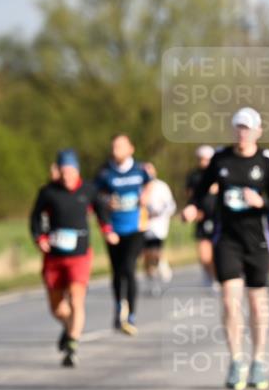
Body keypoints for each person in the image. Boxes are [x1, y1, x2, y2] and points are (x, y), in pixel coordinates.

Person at [183, 107, 269, 390]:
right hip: (226, 239)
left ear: (258, 131)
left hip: (258, 240)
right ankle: (236, 360)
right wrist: (194, 208)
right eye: (239, 127)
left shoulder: (267, 161)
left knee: (256, 303)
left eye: (248, 128)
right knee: (229, 301)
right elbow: (202, 193)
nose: (243, 133)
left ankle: (259, 360)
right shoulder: (220, 159)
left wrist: (261, 203)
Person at [31, 149, 115, 366]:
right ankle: (69, 328)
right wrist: (39, 237)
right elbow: (35, 218)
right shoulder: (48, 192)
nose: (67, 176)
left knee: (77, 300)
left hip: (80, 255)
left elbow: (101, 211)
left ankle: (72, 344)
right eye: (63, 172)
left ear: (77, 171)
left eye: (70, 171)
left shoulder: (89, 190)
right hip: (54, 256)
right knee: (57, 307)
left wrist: (107, 229)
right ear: (58, 171)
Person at [95, 134, 152, 335]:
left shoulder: (140, 169)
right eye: (113, 147)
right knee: (117, 271)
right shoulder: (105, 172)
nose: (115, 150)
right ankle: (119, 306)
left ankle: (132, 314)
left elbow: (150, 183)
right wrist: (106, 201)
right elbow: (96, 196)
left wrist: (146, 195)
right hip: (114, 230)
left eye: (120, 146)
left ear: (131, 149)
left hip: (136, 227)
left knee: (129, 268)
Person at [141, 162, 177, 296]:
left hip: (158, 226)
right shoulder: (139, 186)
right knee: (145, 256)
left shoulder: (161, 187)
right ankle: (152, 283)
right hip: (142, 226)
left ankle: (161, 262)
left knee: (155, 252)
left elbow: (171, 206)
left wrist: (158, 212)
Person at [185, 145, 218, 289]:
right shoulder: (194, 176)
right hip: (202, 218)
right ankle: (209, 274)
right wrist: (192, 210)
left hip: (219, 219)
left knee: (219, 253)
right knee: (204, 254)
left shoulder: (220, 174)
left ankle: (218, 276)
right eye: (201, 159)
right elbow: (190, 197)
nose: (203, 162)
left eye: (206, 159)